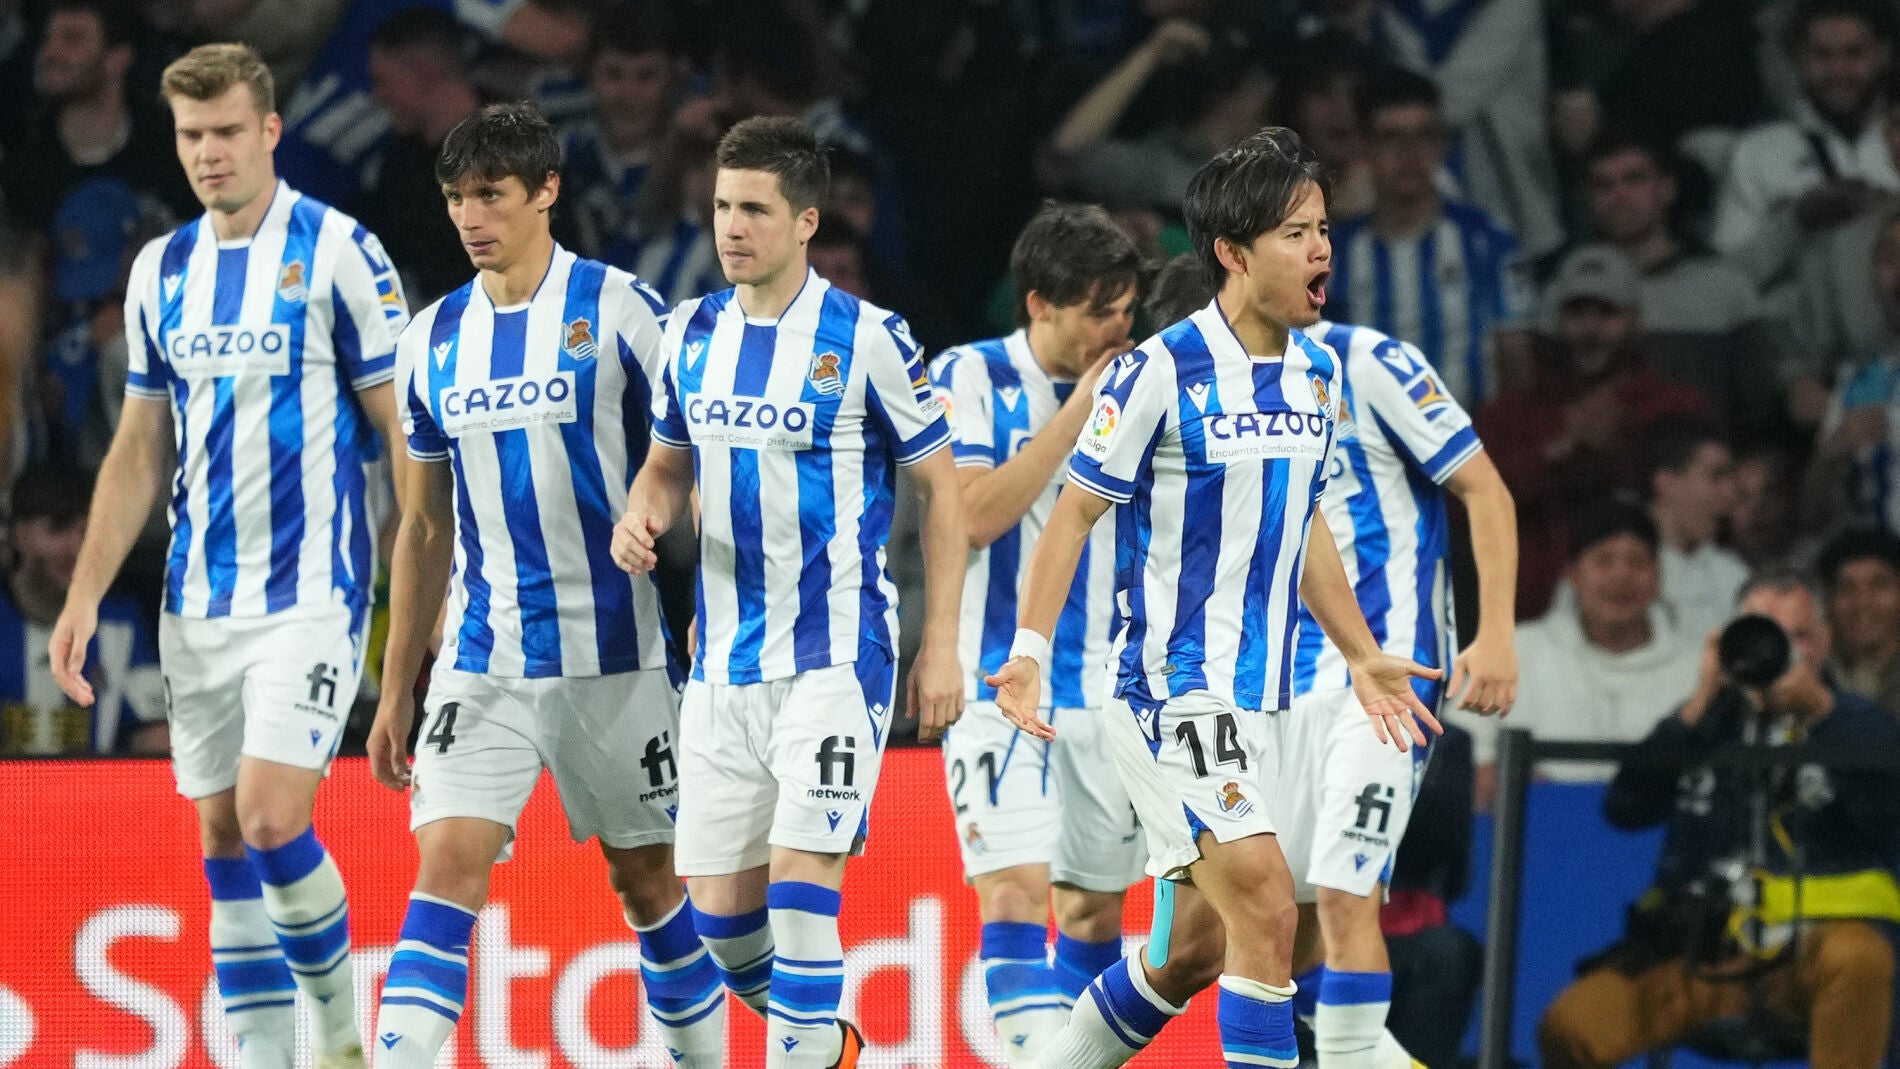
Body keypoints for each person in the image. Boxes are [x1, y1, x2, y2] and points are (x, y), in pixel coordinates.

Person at [988, 126, 1442, 1069]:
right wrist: (1028, 653)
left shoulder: (1317, 374)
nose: (1321, 250)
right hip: (1170, 693)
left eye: (1323, 229)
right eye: (1295, 234)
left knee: (1188, 954)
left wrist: (1361, 654)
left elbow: (1304, 523)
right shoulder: (1157, 372)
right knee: (1270, 906)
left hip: (1260, 699)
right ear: (1234, 254)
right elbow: (1072, 514)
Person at [46, 44, 411, 1067]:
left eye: (226, 132)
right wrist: (83, 592)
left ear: (269, 132)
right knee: (220, 840)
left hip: (312, 595)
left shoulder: (340, 251)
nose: (209, 153)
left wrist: (416, 573)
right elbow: (138, 446)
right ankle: (262, 1055)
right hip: (195, 600)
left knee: (269, 818)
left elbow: (401, 429)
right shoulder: (160, 270)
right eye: (191, 136)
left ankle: (339, 1038)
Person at [363, 102, 722, 1068]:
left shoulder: (622, 309)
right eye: (455, 197)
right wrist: (397, 686)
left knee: (648, 883)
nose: (470, 216)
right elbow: (424, 525)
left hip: (618, 654)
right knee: (447, 865)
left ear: (547, 191)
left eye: (491, 194)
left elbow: (695, 456)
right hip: (484, 655)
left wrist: (695, 577)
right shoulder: (429, 339)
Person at [611, 115, 967, 1069]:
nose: (732, 227)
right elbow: (667, 467)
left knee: (803, 893)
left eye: (755, 210)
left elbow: (942, 491)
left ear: (808, 220)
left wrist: (940, 643)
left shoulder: (870, 338)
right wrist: (642, 514)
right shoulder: (689, 333)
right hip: (723, 662)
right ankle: (831, 1048)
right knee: (724, 926)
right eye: (723, 206)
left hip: (836, 654)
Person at [928, 202, 1144, 1064]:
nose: (1117, 331)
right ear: (1039, 304)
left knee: (1092, 910)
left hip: (1108, 687)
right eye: (1099, 312)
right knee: (1015, 893)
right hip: (997, 683)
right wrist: (1078, 414)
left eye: (1126, 311)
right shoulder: (970, 374)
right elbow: (975, 516)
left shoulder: (1147, 381)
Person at [1540, 571, 1900, 1069]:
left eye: (1795, 637)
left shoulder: (1859, 723)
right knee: (1571, 1026)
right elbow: (1625, 808)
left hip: (1809, 960)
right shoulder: (1703, 723)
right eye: (1761, 634)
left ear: (1823, 640)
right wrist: (1699, 700)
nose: (1778, 652)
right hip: (1700, 955)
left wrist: (1821, 712)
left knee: (1858, 957)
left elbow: (1889, 817)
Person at [1282, 314, 1519, 1069]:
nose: (1316, 258)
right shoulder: (1210, 380)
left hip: (1389, 674)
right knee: (1272, 922)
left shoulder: (1372, 361)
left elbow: (1484, 489)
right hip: (1275, 682)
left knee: (1344, 892)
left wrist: (1495, 633)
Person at [1475, 245, 1712, 619]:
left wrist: (1611, 450)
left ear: (1635, 320)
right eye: (1577, 313)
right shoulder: (1512, 414)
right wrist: (1558, 452)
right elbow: (1466, 503)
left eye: (1606, 313)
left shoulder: (1676, 406)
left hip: (1657, 613)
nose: (1590, 329)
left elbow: (1700, 507)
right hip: (1534, 621)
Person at [1466, 500, 1701, 797]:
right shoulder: (1518, 650)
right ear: (1573, 574)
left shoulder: (1696, 666)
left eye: (1638, 562)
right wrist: (1500, 777)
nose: (1622, 576)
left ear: (1658, 576)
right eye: (1603, 561)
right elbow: (1463, 746)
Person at [1327, 70, 1532, 409]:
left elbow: (1515, 361)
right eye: (1391, 138)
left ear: (1441, 144)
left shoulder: (1487, 243)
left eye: (1424, 136)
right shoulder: (1333, 253)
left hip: (1469, 433)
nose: (1410, 154)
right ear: (1365, 147)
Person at [1714, 0, 1900, 295]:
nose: (1838, 71)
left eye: (1854, 53)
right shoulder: (1758, 151)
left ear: (1884, 54)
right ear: (1797, 60)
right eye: (1822, 55)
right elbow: (1725, 281)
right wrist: (1797, 220)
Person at [0, 463, 164, 756]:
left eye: (90, 532)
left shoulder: (121, 623)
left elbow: (156, 737)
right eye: (59, 527)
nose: (79, 548)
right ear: (19, 535)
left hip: (93, 787)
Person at [1641, 422, 1750, 641]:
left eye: (1730, 480)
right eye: (1715, 477)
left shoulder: (1735, 578)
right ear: (1666, 483)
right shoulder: (1616, 570)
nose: (1730, 494)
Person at [1818, 527, 1900, 716]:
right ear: (1828, 602)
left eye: (1880, 585)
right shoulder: (1812, 678)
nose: (1862, 602)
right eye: (1847, 588)